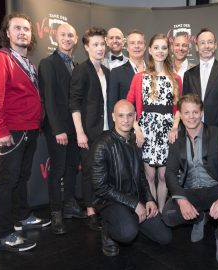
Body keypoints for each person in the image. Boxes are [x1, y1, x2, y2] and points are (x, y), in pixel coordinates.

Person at [0, 12, 50, 252]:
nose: (22, 32)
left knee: (22, 176)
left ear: (31, 35)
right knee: (7, 181)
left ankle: (21, 218)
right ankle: (4, 236)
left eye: (26, 29)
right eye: (17, 28)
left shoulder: (27, 62)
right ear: (8, 33)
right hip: (11, 130)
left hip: (30, 129)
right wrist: (0, 131)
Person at [162, 94, 218, 266]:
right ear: (181, 115)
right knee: (168, 216)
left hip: (215, 188)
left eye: (195, 112)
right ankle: (199, 218)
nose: (191, 116)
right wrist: (182, 200)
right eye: (186, 112)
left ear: (201, 113)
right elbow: (169, 172)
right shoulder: (175, 140)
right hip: (191, 191)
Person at [91, 100, 172, 256]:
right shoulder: (102, 144)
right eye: (121, 115)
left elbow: (141, 176)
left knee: (165, 237)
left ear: (135, 116)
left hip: (135, 200)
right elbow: (100, 187)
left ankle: (131, 220)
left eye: (129, 115)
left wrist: (149, 199)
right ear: (113, 117)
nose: (126, 120)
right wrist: (134, 204)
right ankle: (108, 230)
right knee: (127, 233)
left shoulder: (135, 140)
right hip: (110, 202)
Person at [38, 24, 87, 235]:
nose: (67, 38)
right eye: (63, 35)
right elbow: (48, 99)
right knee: (57, 169)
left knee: (70, 169)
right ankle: (56, 212)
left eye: (70, 35)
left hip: (75, 128)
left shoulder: (75, 65)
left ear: (75, 39)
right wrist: (58, 129)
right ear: (56, 38)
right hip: (58, 128)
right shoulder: (48, 63)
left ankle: (70, 205)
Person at [127, 33, 182, 213]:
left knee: (164, 177)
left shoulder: (176, 78)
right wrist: (137, 129)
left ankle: (162, 212)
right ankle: (153, 214)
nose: (160, 51)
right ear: (149, 50)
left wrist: (175, 127)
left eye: (164, 48)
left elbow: (178, 108)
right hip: (146, 130)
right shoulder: (139, 77)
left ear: (168, 51)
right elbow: (128, 106)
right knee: (149, 177)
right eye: (156, 47)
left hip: (168, 130)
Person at [69, 26, 110, 231]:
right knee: (88, 172)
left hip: (106, 132)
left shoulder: (107, 72)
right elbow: (74, 102)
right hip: (88, 132)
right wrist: (80, 132)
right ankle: (91, 212)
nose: (100, 48)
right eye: (95, 44)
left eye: (102, 44)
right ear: (86, 47)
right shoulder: (81, 70)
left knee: (104, 172)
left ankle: (102, 207)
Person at [183, 28, 218, 129]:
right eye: (202, 43)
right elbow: (185, 106)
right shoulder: (188, 75)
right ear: (197, 47)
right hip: (193, 130)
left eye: (210, 42)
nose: (206, 46)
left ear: (215, 45)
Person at [107, 29, 146, 129]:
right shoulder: (117, 72)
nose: (136, 46)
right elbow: (112, 105)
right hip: (127, 129)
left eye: (140, 43)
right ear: (127, 48)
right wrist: (113, 131)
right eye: (132, 43)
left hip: (151, 127)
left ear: (145, 47)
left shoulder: (155, 72)